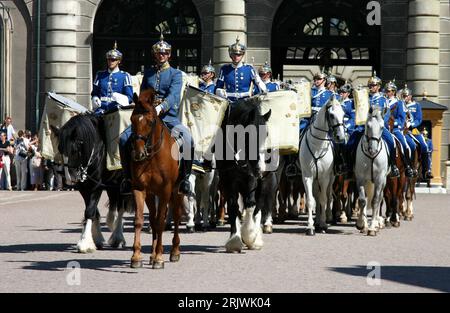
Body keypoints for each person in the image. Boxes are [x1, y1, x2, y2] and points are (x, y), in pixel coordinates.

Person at [119, 34, 194, 195]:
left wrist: (160, 108)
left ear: (169, 55)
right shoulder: (149, 73)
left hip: (168, 117)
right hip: (147, 117)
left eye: (165, 53)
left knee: (188, 139)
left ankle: (185, 179)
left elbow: (174, 95)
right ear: (155, 55)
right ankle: (127, 178)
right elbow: (143, 95)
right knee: (123, 138)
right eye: (159, 53)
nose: (162, 55)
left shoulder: (175, 74)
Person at [346, 73, 400, 177]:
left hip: (379, 128)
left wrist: (380, 124)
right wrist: (356, 93)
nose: (371, 87)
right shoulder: (364, 97)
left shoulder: (383, 99)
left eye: (374, 85)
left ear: (379, 87)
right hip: (364, 127)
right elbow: (356, 109)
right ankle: (349, 168)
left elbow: (387, 114)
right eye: (370, 85)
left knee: (391, 143)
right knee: (350, 143)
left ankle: (393, 166)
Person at [215, 36, 267, 104]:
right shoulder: (224, 69)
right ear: (230, 55)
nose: (236, 57)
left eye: (239, 55)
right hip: (230, 102)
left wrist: (260, 86)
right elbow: (218, 87)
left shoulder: (249, 69)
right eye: (234, 54)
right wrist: (219, 92)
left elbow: (259, 86)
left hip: (246, 103)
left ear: (242, 55)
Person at [91, 41, 134, 115]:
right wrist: (95, 98)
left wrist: (119, 97)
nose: (111, 62)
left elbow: (129, 98)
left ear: (119, 61)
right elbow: (94, 93)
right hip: (100, 109)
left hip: (116, 110)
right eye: (109, 59)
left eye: (113, 60)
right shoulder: (100, 75)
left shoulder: (125, 76)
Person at [384, 81, 414, 177]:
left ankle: (407, 166)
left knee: (404, 145)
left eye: (388, 91)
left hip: (395, 129)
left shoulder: (399, 103)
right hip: (383, 128)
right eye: (386, 90)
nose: (387, 92)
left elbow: (401, 118)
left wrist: (394, 124)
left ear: (393, 92)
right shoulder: (383, 101)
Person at [401, 85, 432, 178]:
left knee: (424, 146)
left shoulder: (416, 105)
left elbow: (419, 119)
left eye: (406, 96)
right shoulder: (400, 104)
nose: (405, 98)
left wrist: (412, 124)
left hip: (413, 130)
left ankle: (426, 170)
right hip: (402, 130)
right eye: (403, 96)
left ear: (410, 96)